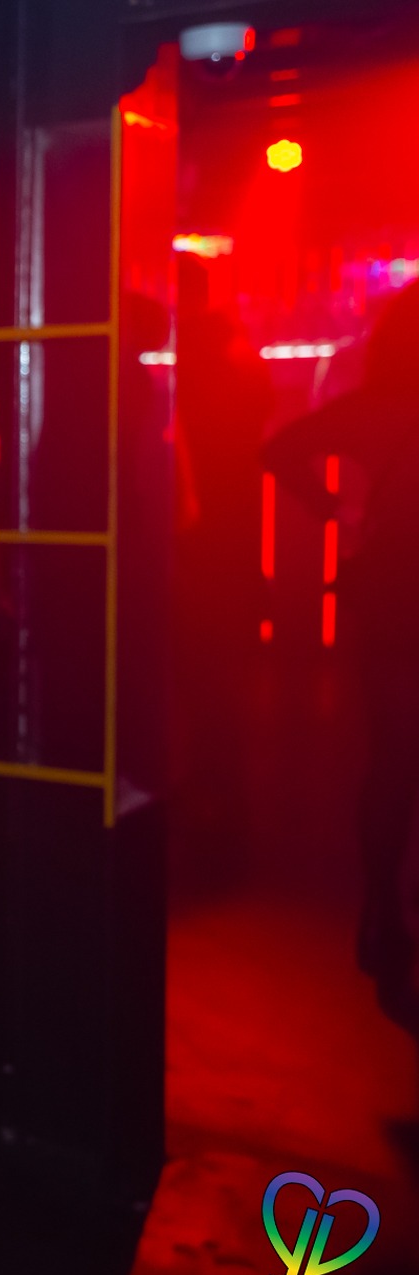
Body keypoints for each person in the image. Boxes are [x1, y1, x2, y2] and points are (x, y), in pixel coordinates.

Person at [263, 284, 419, 1025]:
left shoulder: (375, 408)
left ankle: (382, 905)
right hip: (395, 601)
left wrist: (341, 512)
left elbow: (279, 450)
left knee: (392, 761)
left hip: (390, 600)